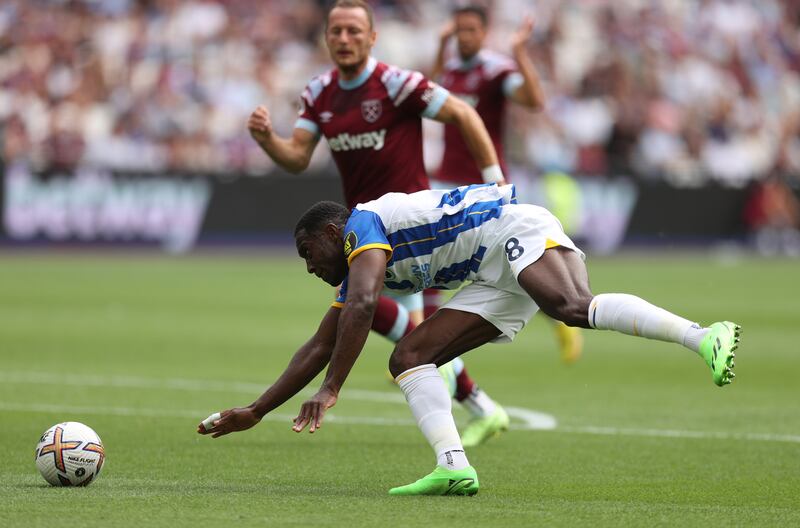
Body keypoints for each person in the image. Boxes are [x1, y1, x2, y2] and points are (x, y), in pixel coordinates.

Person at [198, 183, 741, 496]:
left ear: (331, 234)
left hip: (512, 228)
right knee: (410, 355)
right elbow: (322, 341)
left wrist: (332, 389)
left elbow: (363, 308)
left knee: (572, 308)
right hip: (488, 270)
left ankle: (703, 337)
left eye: (306, 251)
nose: (308, 264)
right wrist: (257, 410)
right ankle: (454, 465)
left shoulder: (363, 225)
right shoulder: (356, 266)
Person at [247, 0, 510, 446]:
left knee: (385, 326)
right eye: (336, 32)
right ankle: (477, 414)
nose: (344, 39)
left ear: (372, 37)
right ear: (326, 38)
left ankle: (466, 426)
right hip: (364, 234)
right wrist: (268, 139)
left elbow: (464, 114)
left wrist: (495, 181)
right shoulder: (320, 93)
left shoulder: (396, 83)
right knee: (393, 328)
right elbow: (296, 157)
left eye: (354, 31)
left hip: (415, 233)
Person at [429, 5, 583, 364]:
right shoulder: (450, 70)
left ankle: (559, 318)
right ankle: (425, 346)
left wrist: (519, 54)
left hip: (487, 184)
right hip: (448, 182)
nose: (464, 37)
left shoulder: (495, 71)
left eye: (471, 30)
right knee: (433, 261)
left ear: (484, 33)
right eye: (460, 30)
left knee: (517, 264)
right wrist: (439, 47)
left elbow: (534, 100)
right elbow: (426, 93)